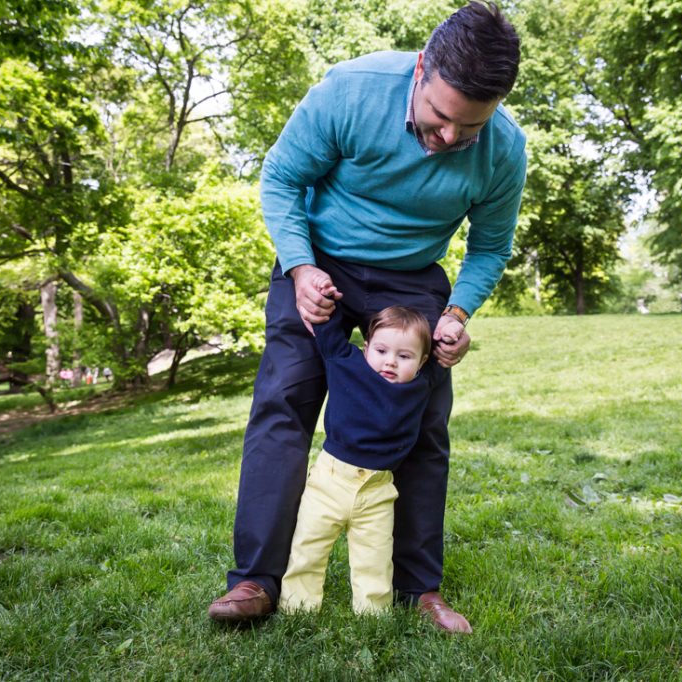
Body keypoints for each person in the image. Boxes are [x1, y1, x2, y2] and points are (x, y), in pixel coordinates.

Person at [208, 1, 526, 634]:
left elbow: (490, 245)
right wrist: (299, 267)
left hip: (412, 278)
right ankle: (255, 580)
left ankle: (419, 589)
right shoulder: (351, 91)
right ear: (419, 71)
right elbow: (280, 176)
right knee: (285, 402)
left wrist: (457, 313)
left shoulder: (503, 148)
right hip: (320, 260)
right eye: (438, 119)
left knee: (424, 424)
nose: (447, 141)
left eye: (468, 128)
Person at [280, 274, 450, 616]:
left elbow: (442, 356)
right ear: (366, 348)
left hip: (377, 489)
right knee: (308, 548)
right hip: (329, 480)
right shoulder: (347, 363)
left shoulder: (420, 384)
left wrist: (452, 332)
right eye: (382, 350)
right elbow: (325, 328)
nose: (390, 361)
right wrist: (325, 295)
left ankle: (373, 615)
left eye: (404, 356)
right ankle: (297, 608)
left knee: (374, 555)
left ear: (420, 363)